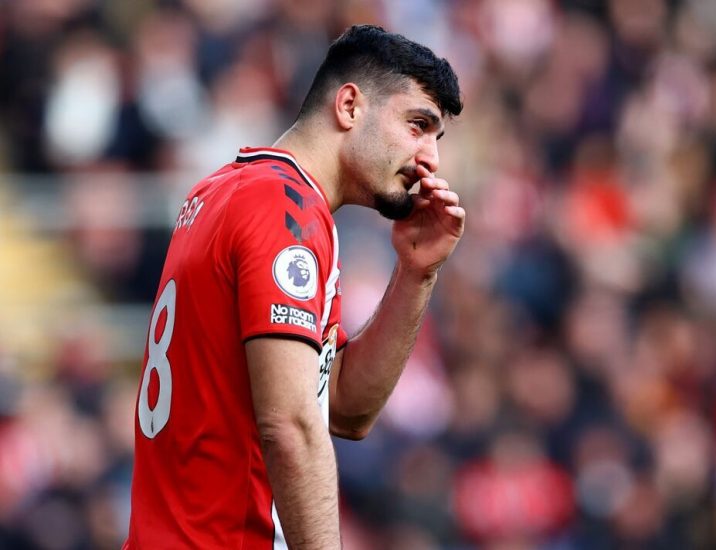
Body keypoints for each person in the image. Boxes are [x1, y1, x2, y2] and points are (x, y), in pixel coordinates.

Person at [124, 25, 463, 549]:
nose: (430, 159)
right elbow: (293, 426)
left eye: (435, 139)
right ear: (349, 106)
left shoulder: (227, 189)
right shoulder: (285, 209)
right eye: (417, 125)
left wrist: (416, 273)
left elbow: (344, 409)